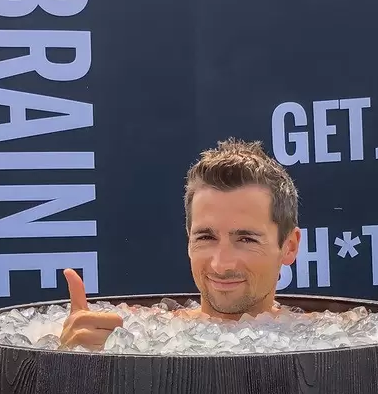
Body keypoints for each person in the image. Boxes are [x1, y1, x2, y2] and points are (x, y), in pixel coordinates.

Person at [60, 138, 301, 350]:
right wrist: (72, 352)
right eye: (206, 238)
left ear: (289, 246)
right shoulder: (134, 332)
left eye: (246, 239)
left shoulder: (326, 336)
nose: (221, 265)